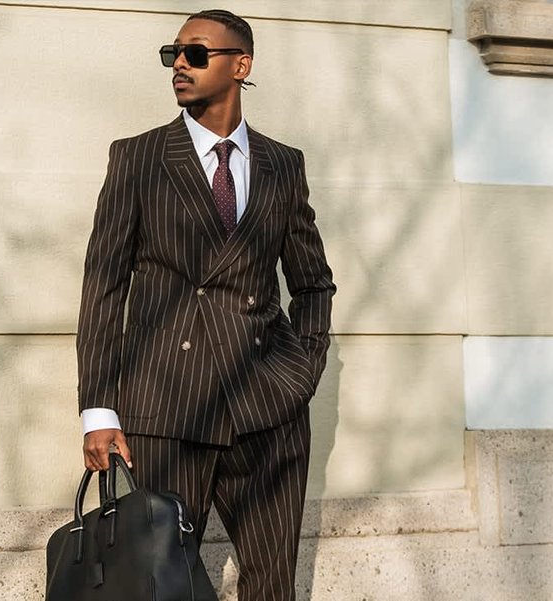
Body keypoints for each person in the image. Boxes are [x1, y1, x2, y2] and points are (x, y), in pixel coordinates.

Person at [76, 9, 335, 600]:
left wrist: (303, 371)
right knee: (160, 584)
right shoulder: (138, 158)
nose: (180, 66)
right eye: (174, 55)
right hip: (167, 409)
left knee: (272, 585)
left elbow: (313, 281)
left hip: (267, 408)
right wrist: (99, 409)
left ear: (241, 65)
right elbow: (103, 287)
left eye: (196, 53)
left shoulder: (281, 164)